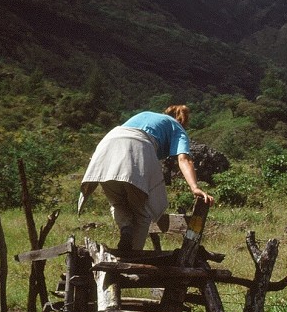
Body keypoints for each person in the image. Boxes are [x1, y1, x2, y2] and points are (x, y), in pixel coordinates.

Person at [77, 104, 214, 253]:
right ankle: (132, 256)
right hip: (137, 147)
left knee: (118, 203)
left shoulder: (145, 115)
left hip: (107, 146)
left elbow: (124, 136)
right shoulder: (177, 128)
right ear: (183, 121)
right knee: (142, 212)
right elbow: (184, 159)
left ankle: (126, 229)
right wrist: (194, 187)